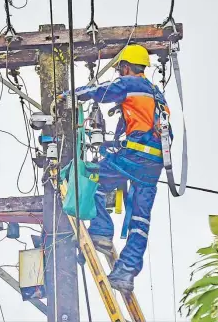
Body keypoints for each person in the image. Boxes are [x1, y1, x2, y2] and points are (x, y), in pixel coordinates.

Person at [58, 44, 171, 293]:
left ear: (126, 67)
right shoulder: (156, 94)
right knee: (140, 219)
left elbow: (100, 91)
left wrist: (69, 95)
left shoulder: (130, 84)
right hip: (154, 166)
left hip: (135, 158)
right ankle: (125, 273)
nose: (120, 73)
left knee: (93, 178)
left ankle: (101, 230)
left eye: (121, 69)